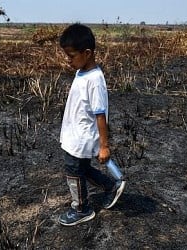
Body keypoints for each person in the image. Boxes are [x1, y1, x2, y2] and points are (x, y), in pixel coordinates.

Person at [58, 23, 126, 226]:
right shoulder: (82, 72)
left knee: (73, 169)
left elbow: (100, 115)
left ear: (87, 53)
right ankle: (110, 185)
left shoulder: (95, 80)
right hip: (75, 134)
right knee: (82, 169)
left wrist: (104, 146)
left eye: (71, 56)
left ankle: (81, 209)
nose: (68, 60)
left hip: (83, 136)